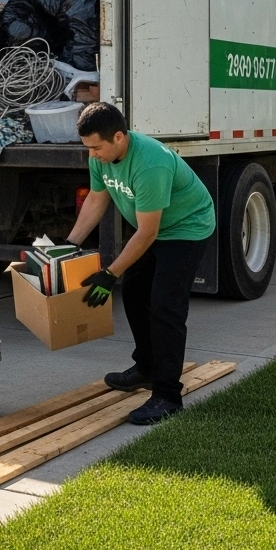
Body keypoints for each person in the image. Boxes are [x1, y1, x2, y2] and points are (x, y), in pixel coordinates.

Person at [65, 102, 215, 425]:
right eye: (88, 147)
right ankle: (147, 368)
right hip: (154, 228)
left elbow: (148, 233)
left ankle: (167, 396)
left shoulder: (149, 164)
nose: (92, 154)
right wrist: (69, 245)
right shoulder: (100, 157)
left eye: (96, 147)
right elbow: (97, 198)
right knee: (134, 293)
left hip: (187, 227)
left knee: (165, 307)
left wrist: (109, 274)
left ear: (119, 137)